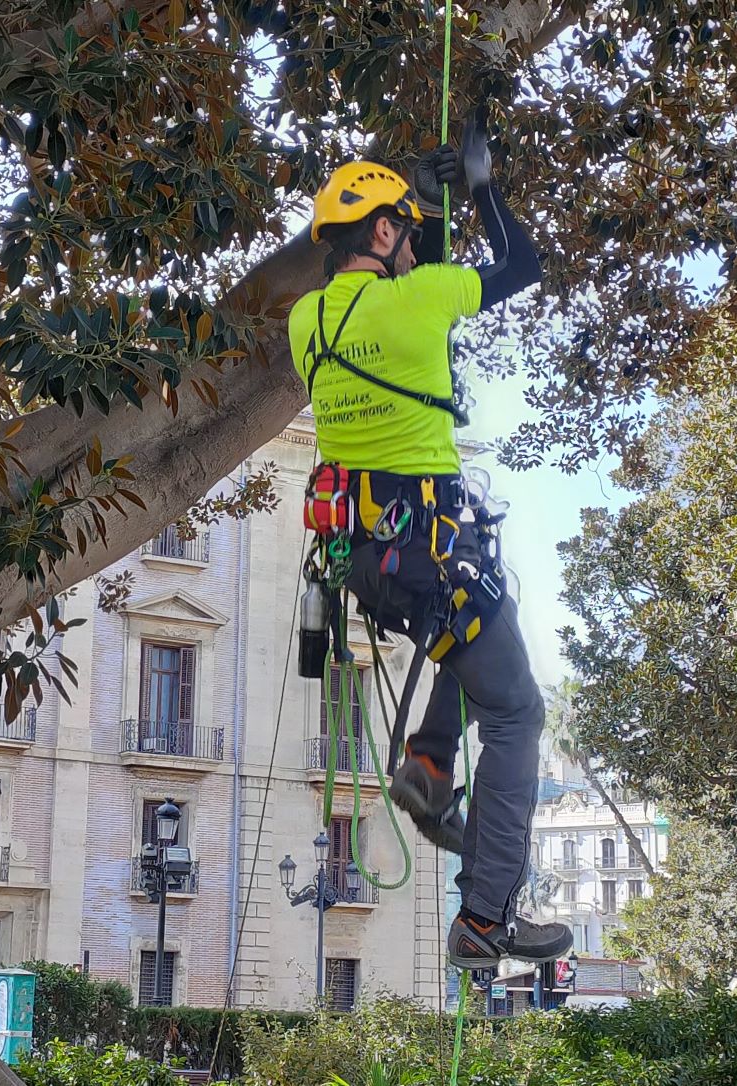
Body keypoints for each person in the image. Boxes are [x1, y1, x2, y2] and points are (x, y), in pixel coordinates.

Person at [287, 112, 571, 969]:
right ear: (380, 230)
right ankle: (487, 919)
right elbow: (521, 267)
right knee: (519, 713)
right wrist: (480, 190)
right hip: (431, 549)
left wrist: (430, 212)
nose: (414, 246)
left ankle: (428, 765)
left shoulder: (308, 323)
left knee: (478, 622)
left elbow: (405, 295)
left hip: (370, 563)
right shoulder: (421, 300)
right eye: (402, 231)